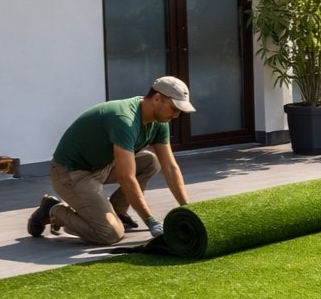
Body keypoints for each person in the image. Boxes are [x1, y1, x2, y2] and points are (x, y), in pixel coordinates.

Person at [26, 76, 195, 244]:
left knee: (150, 162)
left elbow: (170, 168)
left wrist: (188, 209)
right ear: (157, 99)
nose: (176, 115)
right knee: (109, 233)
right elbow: (126, 177)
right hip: (70, 173)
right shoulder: (125, 120)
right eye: (174, 108)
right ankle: (52, 210)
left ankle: (118, 211)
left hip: (102, 166)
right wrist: (151, 221)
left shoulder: (159, 121)